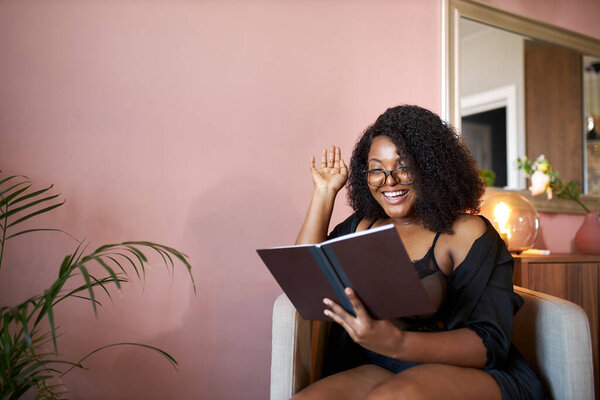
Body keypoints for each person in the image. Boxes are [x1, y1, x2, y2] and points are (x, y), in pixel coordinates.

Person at [293, 105, 546, 400]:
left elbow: (490, 343)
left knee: (392, 397)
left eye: (403, 167)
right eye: (376, 170)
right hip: (382, 362)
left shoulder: (468, 233)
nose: (389, 181)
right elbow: (305, 279)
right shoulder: (362, 225)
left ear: (430, 168)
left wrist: (396, 341)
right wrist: (324, 194)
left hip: (470, 369)